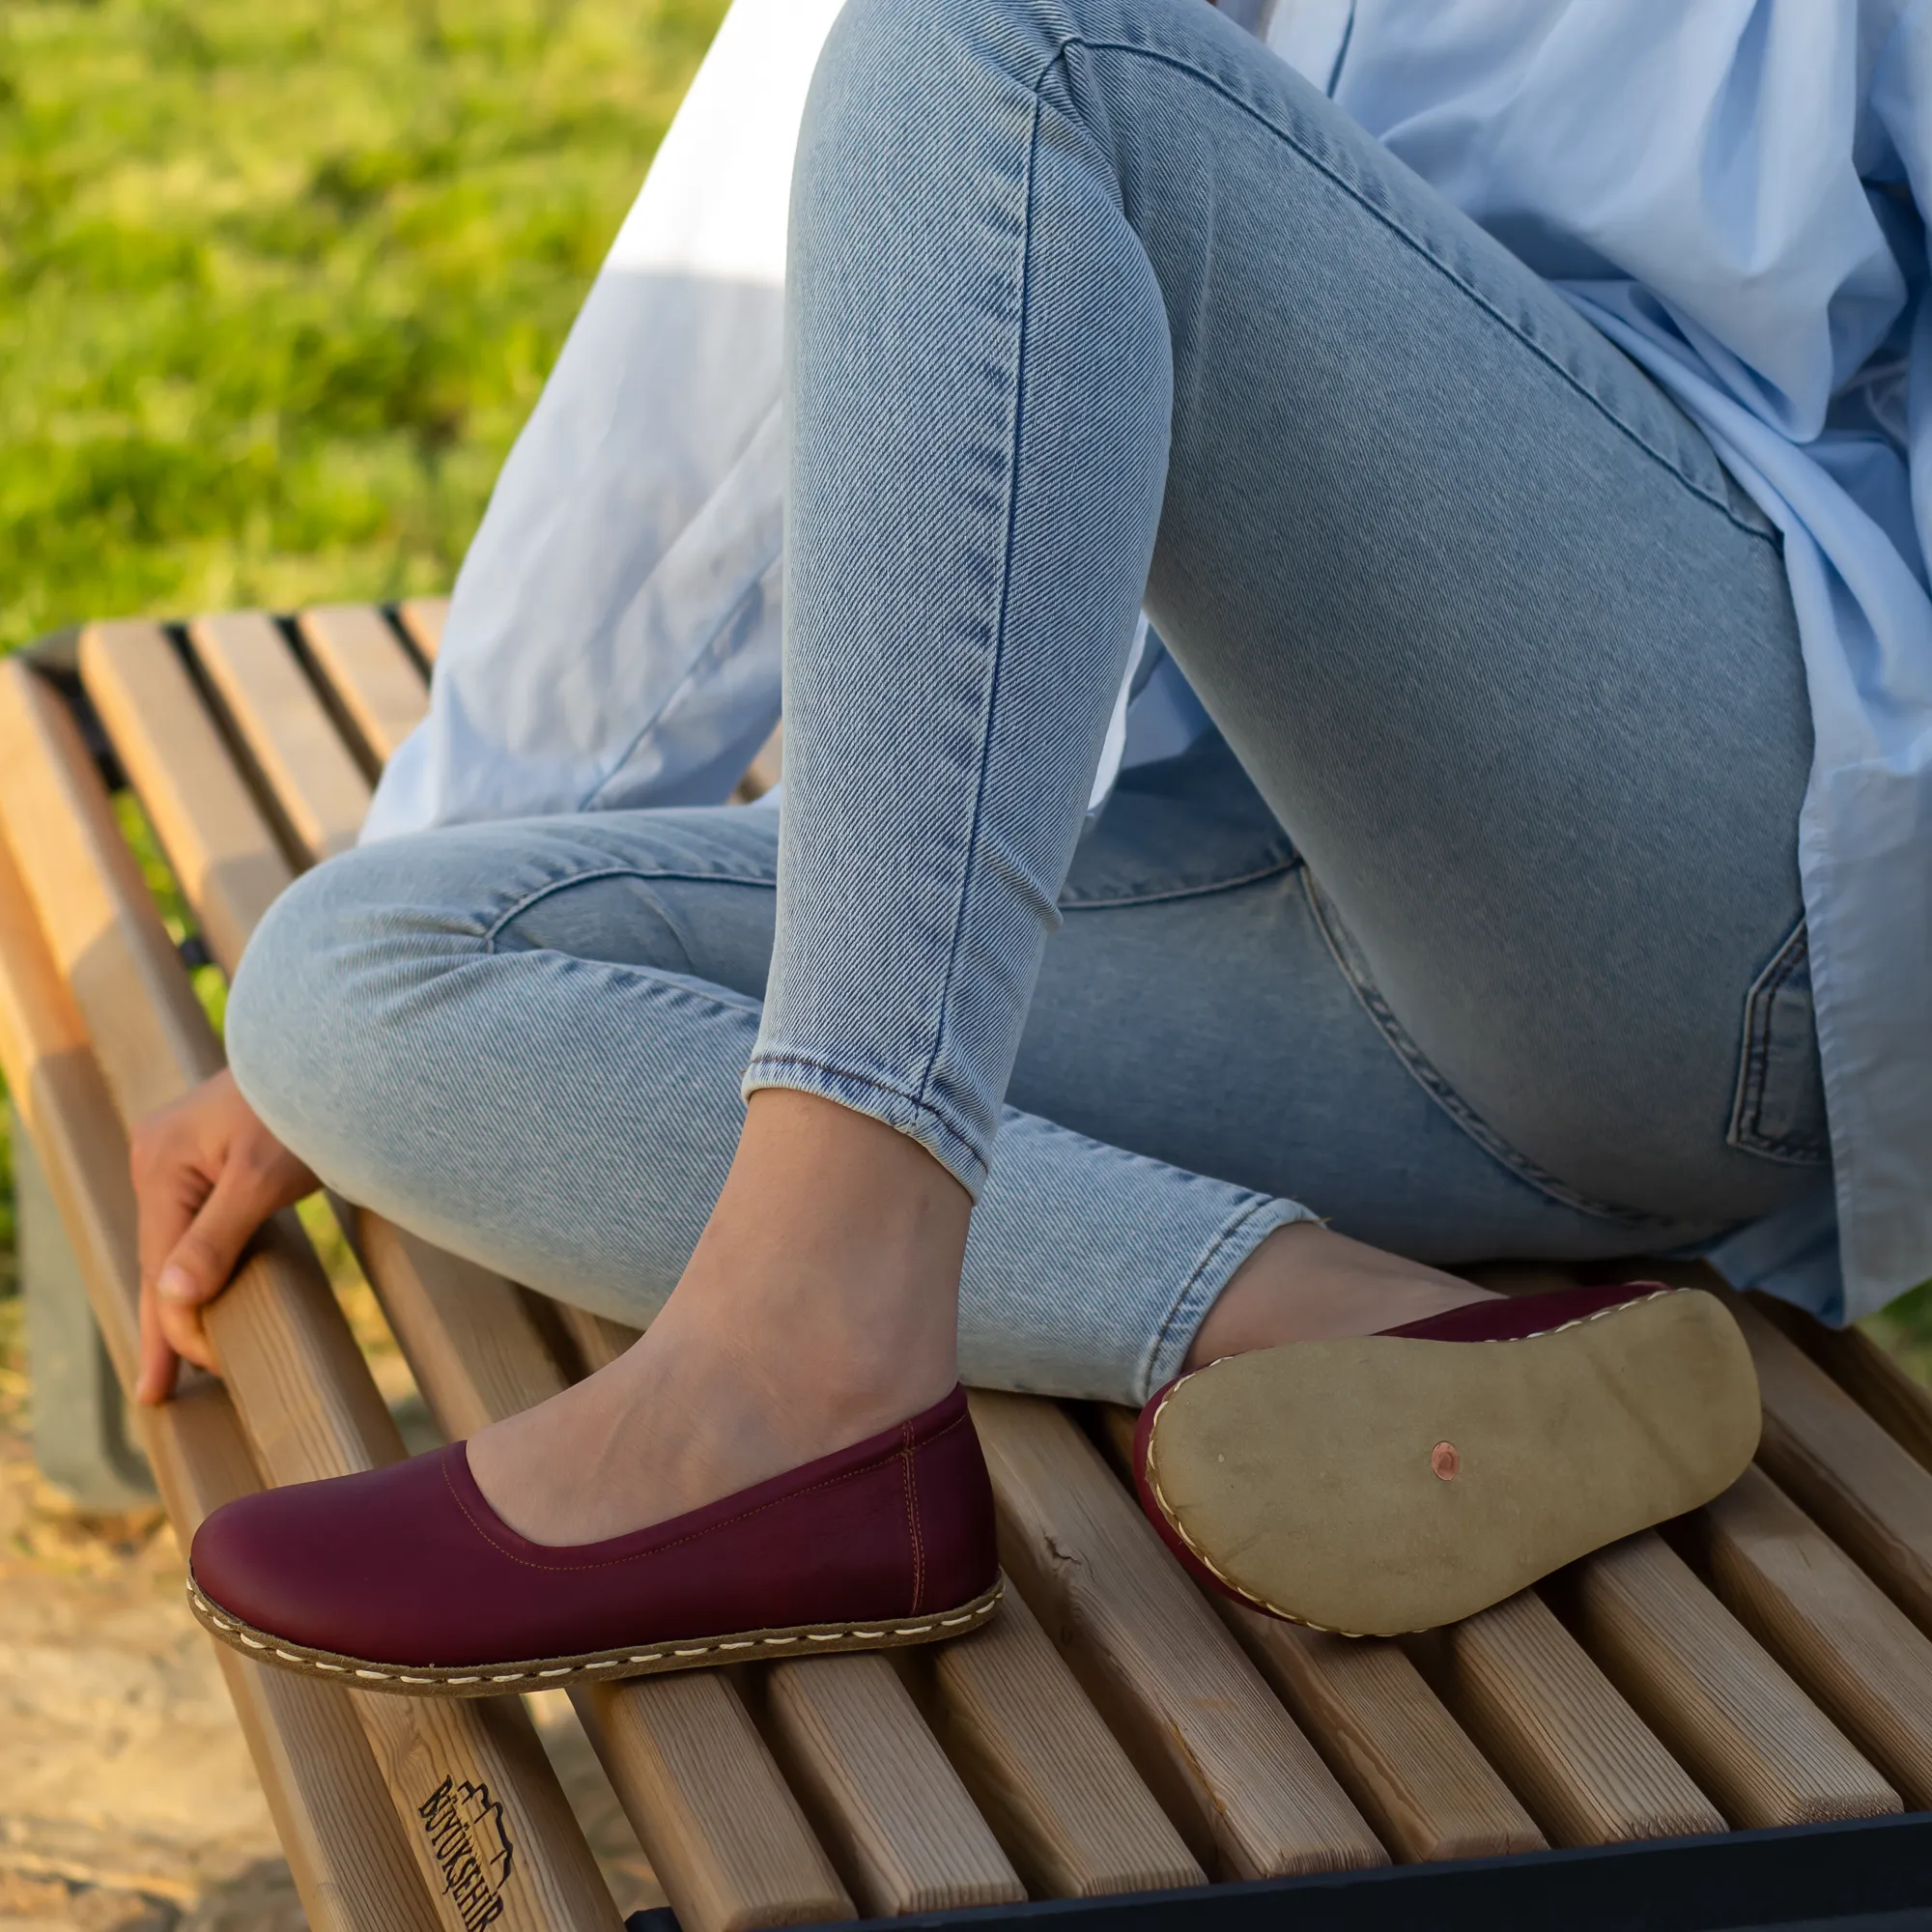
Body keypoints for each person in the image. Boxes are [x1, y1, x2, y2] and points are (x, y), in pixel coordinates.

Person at [147, 0, 1932, 1686]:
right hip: (1285, 910)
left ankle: (810, 1352)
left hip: (1707, 895)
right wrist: (475, 819)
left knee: (1007, 45)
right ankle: (1338, 1317)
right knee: (350, 981)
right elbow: (730, 305)